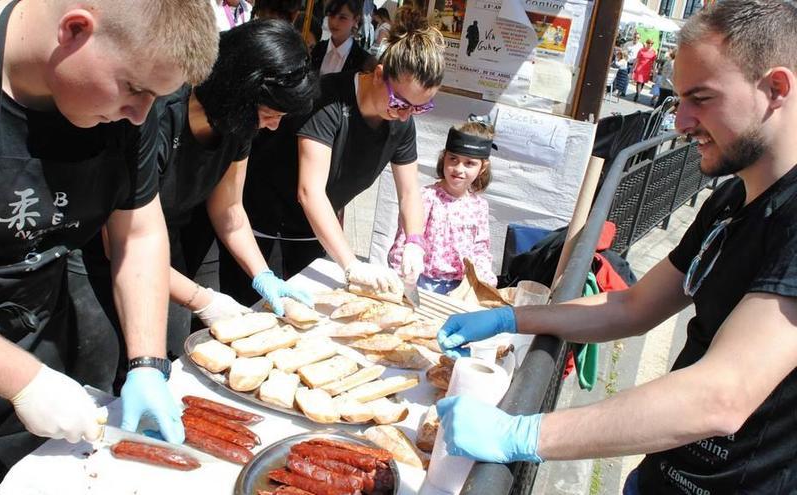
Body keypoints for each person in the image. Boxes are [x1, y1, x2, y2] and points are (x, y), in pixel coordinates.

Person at [434, 2, 797, 493]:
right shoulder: (733, 196)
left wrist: (524, 432)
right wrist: (510, 318)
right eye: (677, 99)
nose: (682, 121)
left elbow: (723, 395)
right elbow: (632, 305)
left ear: (776, 88)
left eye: (702, 98)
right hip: (663, 477)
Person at [0, 0, 217, 493]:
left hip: (43, 365)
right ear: (75, 29)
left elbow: (138, 230)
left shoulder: (131, 105)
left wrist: (146, 363)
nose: (142, 115)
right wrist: (24, 380)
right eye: (135, 89)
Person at [68, 19, 317, 393]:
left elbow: (230, 210)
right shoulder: (158, 113)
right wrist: (202, 299)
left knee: (171, 358)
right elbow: (122, 238)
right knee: (100, 374)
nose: (273, 127)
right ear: (238, 91)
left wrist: (263, 276)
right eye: (270, 114)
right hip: (103, 249)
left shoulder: (239, 127)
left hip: (164, 243)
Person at [222, 7, 445, 307]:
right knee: (249, 312)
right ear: (379, 75)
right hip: (262, 222)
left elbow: (409, 193)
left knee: (310, 313)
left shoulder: (401, 122)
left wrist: (415, 242)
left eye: (419, 108)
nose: (405, 115)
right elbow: (310, 191)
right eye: (399, 102)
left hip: (314, 232)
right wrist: (351, 264)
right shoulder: (328, 100)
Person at [388, 121, 496, 294]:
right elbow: (405, 240)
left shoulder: (479, 206)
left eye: (469, 163)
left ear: (483, 168)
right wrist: (403, 274)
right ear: (443, 157)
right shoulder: (425, 197)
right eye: (453, 159)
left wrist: (482, 281)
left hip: (459, 288)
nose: (459, 169)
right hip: (419, 281)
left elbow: (480, 248)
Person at [310, 0, 374, 75]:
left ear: (356, 20)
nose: (334, 23)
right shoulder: (317, 49)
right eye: (331, 15)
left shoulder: (363, 61)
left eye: (342, 18)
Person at [632, 38, 657, 103]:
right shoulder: (641, 50)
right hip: (640, 68)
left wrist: (654, 70)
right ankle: (638, 95)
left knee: (643, 82)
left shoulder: (653, 52)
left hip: (647, 69)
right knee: (639, 82)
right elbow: (637, 59)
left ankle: (637, 94)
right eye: (649, 43)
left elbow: (654, 62)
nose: (650, 45)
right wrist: (633, 67)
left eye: (651, 44)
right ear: (646, 43)